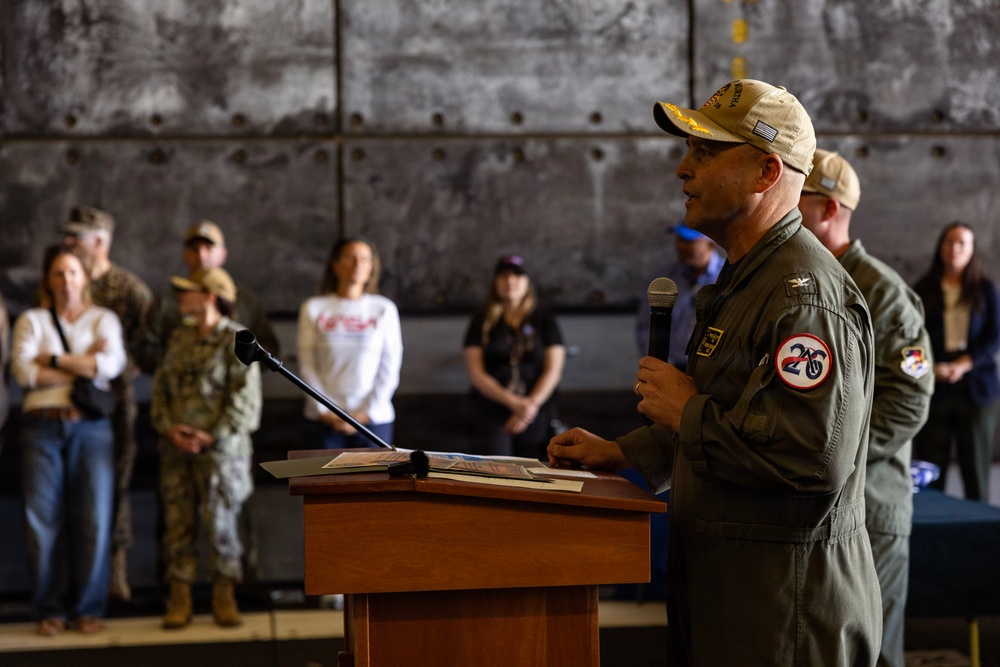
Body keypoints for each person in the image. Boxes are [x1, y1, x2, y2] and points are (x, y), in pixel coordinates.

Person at [547, 79, 882, 665]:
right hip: (736, 595)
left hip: (786, 613)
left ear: (765, 173)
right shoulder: (748, 277)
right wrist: (624, 453)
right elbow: (738, 411)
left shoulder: (803, 298)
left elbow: (813, 457)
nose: (682, 168)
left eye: (705, 151)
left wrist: (685, 411)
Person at [798, 149, 933, 667]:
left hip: (871, 504)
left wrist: (835, 454)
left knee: (873, 654)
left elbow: (909, 401)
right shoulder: (811, 280)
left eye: (799, 200)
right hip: (828, 505)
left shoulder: (881, 291)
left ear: (829, 209)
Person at [10, 246, 126, 636]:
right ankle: (49, 610)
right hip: (40, 428)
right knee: (41, 521)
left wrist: (53, 360)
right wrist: (81, 364)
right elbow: (24, 373)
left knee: (94, 519)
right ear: (48, 279)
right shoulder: (31, 320)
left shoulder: (103, 319)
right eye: (58, 273)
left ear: (84, 277)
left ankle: (89, 609)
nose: (66, 281)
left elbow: (108, 366)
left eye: (73, 272)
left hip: (91, 430)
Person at [150, 267, 262, 629]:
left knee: (221, 524)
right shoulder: (178, 339)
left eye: (189, 291)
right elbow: (160, 392)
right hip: (177, 451)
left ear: (210, 296)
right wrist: (170, 429)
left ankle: (224, 595)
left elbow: (246, 403)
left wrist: (210, 435)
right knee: (177, 524)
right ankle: (180, 597)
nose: (180, 297)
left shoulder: (237, 340)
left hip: (221, 453)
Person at [62, 204, 152, 602]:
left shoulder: (128, 289)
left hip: (115, 405)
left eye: (75, 237)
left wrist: (116, 361)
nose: (68, 243)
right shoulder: (63, 279)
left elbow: (150, 348)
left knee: (116, 486)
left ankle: (114, 573)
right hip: (67, 398)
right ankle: (75, 580)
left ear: (99, 241)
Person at [913, 222, 1000, 502]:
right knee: (930, 466)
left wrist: (963, 365)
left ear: (972, 250)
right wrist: (931, 366)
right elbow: (911, 337)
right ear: (941, 246)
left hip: (975, 387)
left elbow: (995, 336)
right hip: (935, 384)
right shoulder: (924, 289)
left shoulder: (984, 289)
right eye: (950, 242)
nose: (955, 249)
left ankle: (982, 534)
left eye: (963, 243)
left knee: (975, 469)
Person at [136, 220, 279, 375]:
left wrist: (228, 369)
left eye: (209, 248)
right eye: (194, 249)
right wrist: (184, 365)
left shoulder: (247, 301)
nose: (201, 255)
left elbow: (268, 349)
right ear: (185, 255)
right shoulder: (165, 302)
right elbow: (144, 350)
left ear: (223, 254)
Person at [297, 237, 402, 448]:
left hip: (373, 420)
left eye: (365, 259)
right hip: (324, 420)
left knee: (374, 481)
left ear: (372, 267)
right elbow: (308, 365)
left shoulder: (384, 309)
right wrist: (325, 411)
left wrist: (364, 414)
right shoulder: (313, 308)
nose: (358, 264)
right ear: (335, 264)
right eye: (351, 257)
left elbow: (389, 367)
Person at [463, 254, 566, 459]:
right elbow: (476, 373)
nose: (510, 281)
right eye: (504, 276)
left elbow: (553, 371)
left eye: (517, 276)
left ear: (527, 281)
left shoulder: (544, 317)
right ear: (495, 282)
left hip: (536, 409)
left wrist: (529, 407)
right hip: (493, 410)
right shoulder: (481, 319)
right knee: (498, 473)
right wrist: (513, 403)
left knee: (537, 474)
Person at [636, 223, 724, 369]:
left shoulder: (728, 278)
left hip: (714, 371)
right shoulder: (663, 280)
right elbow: (646, 328)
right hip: (672, 368)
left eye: (689, 241)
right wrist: (660, 365)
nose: (681, 246)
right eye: (679, 239)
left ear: (711, 243)